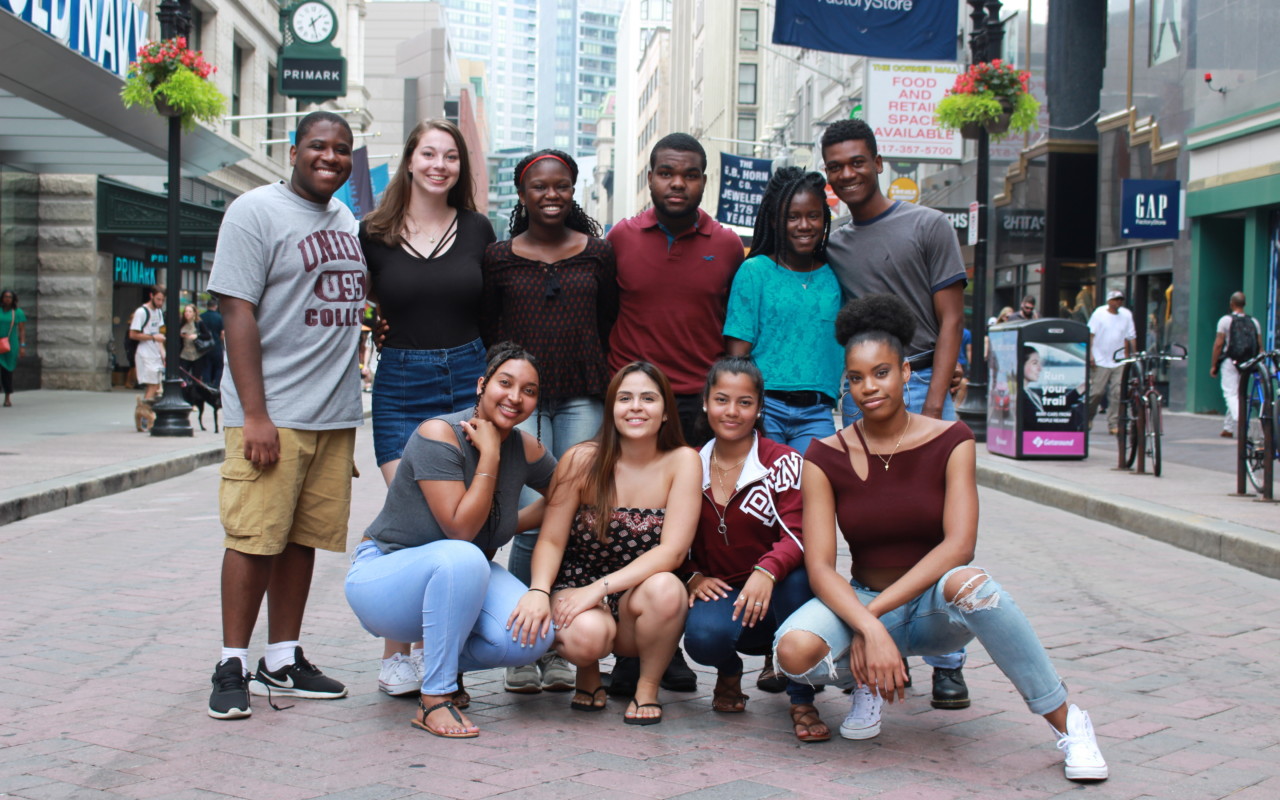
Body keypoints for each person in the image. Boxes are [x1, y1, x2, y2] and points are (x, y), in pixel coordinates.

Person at [774, 294, 1108, 783]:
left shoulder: (951, 440)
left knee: (974, 585)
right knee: (793, 651)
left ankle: (1069, 722)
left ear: (906, 372)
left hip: (933, 607)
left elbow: (959, 546)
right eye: (856, 378)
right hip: (864, 596)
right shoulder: (825, 456)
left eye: (881, 372)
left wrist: (873, 620)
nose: (869, 387)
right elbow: (822, 566)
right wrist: (868, 627)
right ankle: (866, 681)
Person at [205, 111, 364, 720]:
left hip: (332, 414)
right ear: (293, 150)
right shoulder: (254, 211)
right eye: (318, 146)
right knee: (252, 538)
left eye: (342, 150)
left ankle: (282, 657)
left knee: (302, 540)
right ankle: (231, 663)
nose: (330, 157)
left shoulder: (345, 218)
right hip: (274, 412)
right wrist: (254, 415)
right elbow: (236, 313)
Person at [821, 118, 971, 708]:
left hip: (922, 384)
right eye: (836, 166)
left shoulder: (929, 224)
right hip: (861, 389)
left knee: (937, 525)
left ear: (878, 162)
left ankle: (949, 661)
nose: (847, 174)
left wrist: (933, 405)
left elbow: (954, 318)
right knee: (875, 520)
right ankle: (882, 633)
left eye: (857, 162)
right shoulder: (833, 242)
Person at [345, 343, 557, 738]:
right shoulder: (438, 434)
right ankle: (435, 698)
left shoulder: (525, 448)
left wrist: (511, 521)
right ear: (481, 384)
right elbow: (459, 529)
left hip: (457, 576)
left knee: (533, 637)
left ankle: (440, 660)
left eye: (529, 391)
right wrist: (489, 458)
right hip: (383, 577)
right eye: (505, 383)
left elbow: (567, 494)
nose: (515, 397)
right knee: (464, 554)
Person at [359, 119, 497, 696]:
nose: (439, 164)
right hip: (401, 381)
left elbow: (492, 311)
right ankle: (398, 652)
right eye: (429, 154)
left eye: (451, 157)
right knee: (413, 518)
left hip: (469, 377)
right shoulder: (374, 232)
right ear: (409, 162)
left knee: (458, 521)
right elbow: (357, 304)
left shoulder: (478, 229)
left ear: (459, 168)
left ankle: (439, 651)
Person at [603, 132, 741, 694]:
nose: (676, 183)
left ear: (704, 180)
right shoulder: (620, 240)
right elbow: (602, 315)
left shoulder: (729, 246)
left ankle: (671, 643)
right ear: (650, 177)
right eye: (665, 173)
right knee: (627, 520)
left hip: (695, 405)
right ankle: (629, 652)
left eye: (688, 174)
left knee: (690, 527)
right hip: (635, 404)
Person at [481, 148, 618, 694]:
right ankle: (522, 644)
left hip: (584, 394)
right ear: (521, 193)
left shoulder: (599, 256)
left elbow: (608, 319)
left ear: (573, 188)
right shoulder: (497, 257)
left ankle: (561, 647)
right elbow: (488, 327)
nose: (552, 195)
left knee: (573, 512)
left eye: (562, 185)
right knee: (529, 516)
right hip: (524, 404)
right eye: (540, 186)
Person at [508, 361, 701, 724]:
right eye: (625, 398)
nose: (636, 407)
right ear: (611, 409)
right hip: (576, 586)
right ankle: (588, 674)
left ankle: (646, 688)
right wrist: (538, 589)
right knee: (588, 637)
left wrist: (601, 589)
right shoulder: (582, 459)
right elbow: (550, 539)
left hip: (636, 594)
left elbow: (672, 551)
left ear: (665, 412)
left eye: (648, 398)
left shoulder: (683, 461)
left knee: (668, 590)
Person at [682, 356, 829, 742]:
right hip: (725, 594)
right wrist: (692, 574)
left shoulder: (783, 462)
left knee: (798, 579)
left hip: (778, 593)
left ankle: (801, 697)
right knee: (702, 639)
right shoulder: (686, 466)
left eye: (744, 402)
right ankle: (729, 672)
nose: (732, 412)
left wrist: (767, 571)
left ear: (760, 407)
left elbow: (799, 534)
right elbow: (669, 537)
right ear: (706, 403)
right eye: (722, 400)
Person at [724, 167, 842, 455]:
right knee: (767, 493)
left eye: (813, 215)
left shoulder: (836, 274)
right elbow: (737, 356)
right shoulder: (754, 271)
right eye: (793, 217)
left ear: (824, 219)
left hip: (818, 412)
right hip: (766, 408)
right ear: (776, 221)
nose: (804, 225)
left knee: (813, 491)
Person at [1210, 291, 1263, 439]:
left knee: (1230, 394)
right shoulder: (1254, 322)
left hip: (1230, 361)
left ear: (1232, 304)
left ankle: (1241, 423)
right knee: (1238, 393)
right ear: (1244, 304)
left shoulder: (1225, 320)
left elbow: (1219, 343)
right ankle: (1228, 427)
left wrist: (1214, 364)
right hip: (1248, 363)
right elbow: (1260, 346)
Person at [1086, 290, 1137, 436]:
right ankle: (1088, 417)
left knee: (1118, 393)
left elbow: (1131, 336)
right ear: (1109, 301)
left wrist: (1133, 356)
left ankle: (1114, 423)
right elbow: (1090, 335)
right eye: (1115, 300)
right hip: (1100, 359)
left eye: (1120, 300)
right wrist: (1090, 355)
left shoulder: (1126, 315)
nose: (1118, 302)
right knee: (1096, 392)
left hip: (1118, 359)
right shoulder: (1099, 314)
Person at [130, 285, 167, 405]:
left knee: (156, 388)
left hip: (155, 353)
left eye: (162, 300)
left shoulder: (159, 312)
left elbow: (159, 335)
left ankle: (148, 416)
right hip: (145, 353)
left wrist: (163, 354)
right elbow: (133, 334)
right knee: (153, 386)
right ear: (151, 296)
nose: (160, 303)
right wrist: (152, 337)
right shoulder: (141, 312)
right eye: (158, 299)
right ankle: (145, 417)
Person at [0, 289, 27, 407]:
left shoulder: (17, 312)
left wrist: (22, 346)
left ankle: (7, 397)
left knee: (7, 371)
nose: (7, 299)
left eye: (10, 297)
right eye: (5, 296)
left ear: (13, 299)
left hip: (10, 345)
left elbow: (22, 331)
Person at [178, 303, 211, 382]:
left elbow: (207, 336)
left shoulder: (199, 323)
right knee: (183, 377)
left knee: (196, 378)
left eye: (190, 311)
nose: (187, 313)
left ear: (194, 313)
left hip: (197, 354)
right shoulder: (182, 324)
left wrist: (197, 336)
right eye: (186, 311)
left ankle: (194, 392)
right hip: (184, 354)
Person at [200, 297, 225, 388]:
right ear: (216, 306)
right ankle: (216, 385)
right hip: (216, 345)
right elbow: (222, 334)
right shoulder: (219, 317)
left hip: (204, 346)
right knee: (219, 366)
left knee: (206, 366)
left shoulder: (201, 317)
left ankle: (206, 385)